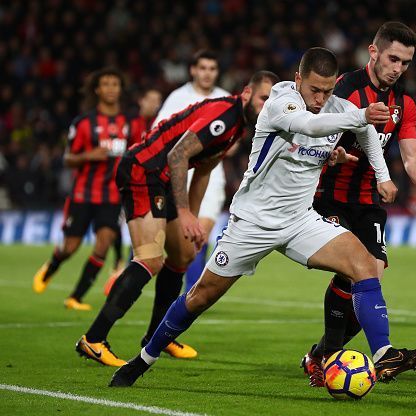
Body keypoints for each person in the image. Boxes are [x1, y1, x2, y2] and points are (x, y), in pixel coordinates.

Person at [109, 47, 416, 388]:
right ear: (298, 79)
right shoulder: (280, 103)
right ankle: (143, 359)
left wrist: (381, 174)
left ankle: (383, 354)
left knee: (364, 264)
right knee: (200, 297)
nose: (320, 98)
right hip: (253, 222)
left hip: (300, 220)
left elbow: (363, 134)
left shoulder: (338, 108)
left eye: (328, 90)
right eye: (314, 89)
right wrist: (362, 115)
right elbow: (311, 124)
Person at [75, 70, 279, 367]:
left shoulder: (239, 126)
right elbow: (178, 155)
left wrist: (192, 219)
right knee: (149, 259)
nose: (267, 106)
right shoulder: (224, 114)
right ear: (247, 93)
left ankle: (157, 337)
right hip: (143, 171)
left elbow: (205, 170)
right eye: (264, 98)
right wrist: (183, 212)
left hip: (163, 179)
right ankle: (93, 339)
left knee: (183, 253)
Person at [300, 22, 416, 387]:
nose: (398, 68)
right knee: (354, 267)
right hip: (328, 196)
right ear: (373, 52)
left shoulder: (405, 104)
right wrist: (332, 155)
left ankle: (323, 356)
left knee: (372, 273)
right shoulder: (343, 91)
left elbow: (412, 155)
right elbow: (309, 138)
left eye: (405, 62)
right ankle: (356, 355)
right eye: (393, 59)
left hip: (369, 199)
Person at [32, 68, 144, 310]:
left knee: (103, 244)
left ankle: (75, 297)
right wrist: (88, 155)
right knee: (70, 247)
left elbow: (138, 152)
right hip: (83, 194)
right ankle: (53, 264)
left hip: (113, 196)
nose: (111, 88)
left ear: (120, 89)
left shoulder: (132, 122)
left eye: (115, 84)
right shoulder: (83, 123)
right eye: (106, 84)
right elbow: (68, 159)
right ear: (97, 89)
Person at [154, 50, 231, 293]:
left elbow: (236, 136)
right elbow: (159, 131)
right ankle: (177, 288)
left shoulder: (225, 98)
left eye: (212, 69)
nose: (207, 73)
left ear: (217, 72)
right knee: (179, 242)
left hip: (212, 172)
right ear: (193, 70)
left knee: (200, 235)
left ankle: (191, 293)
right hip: (181, 172)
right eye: (203, 68)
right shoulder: (178, 97)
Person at [109, 88, 163, 282]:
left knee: (142, 225)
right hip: (125, 180)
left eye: (158, 100)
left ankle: (133, 263)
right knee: (116, 222)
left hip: (148, 183)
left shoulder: (159, 124)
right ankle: (118, 261)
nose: (155, 104)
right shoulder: (129, 123)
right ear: (142, 100)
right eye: (151, 99)